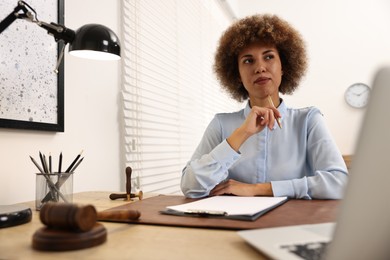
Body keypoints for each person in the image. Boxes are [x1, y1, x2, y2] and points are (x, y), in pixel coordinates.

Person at [180, 14, 348, 199]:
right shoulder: (221, 124)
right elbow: (190, 187)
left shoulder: (308, 121)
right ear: (237, 75)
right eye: (248, 60)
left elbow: (339, 184)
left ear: (283, 66)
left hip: (288, 225)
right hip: (231, 225)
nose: (260, 68)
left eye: (268, 57)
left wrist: (260, 189)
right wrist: (242, 132)